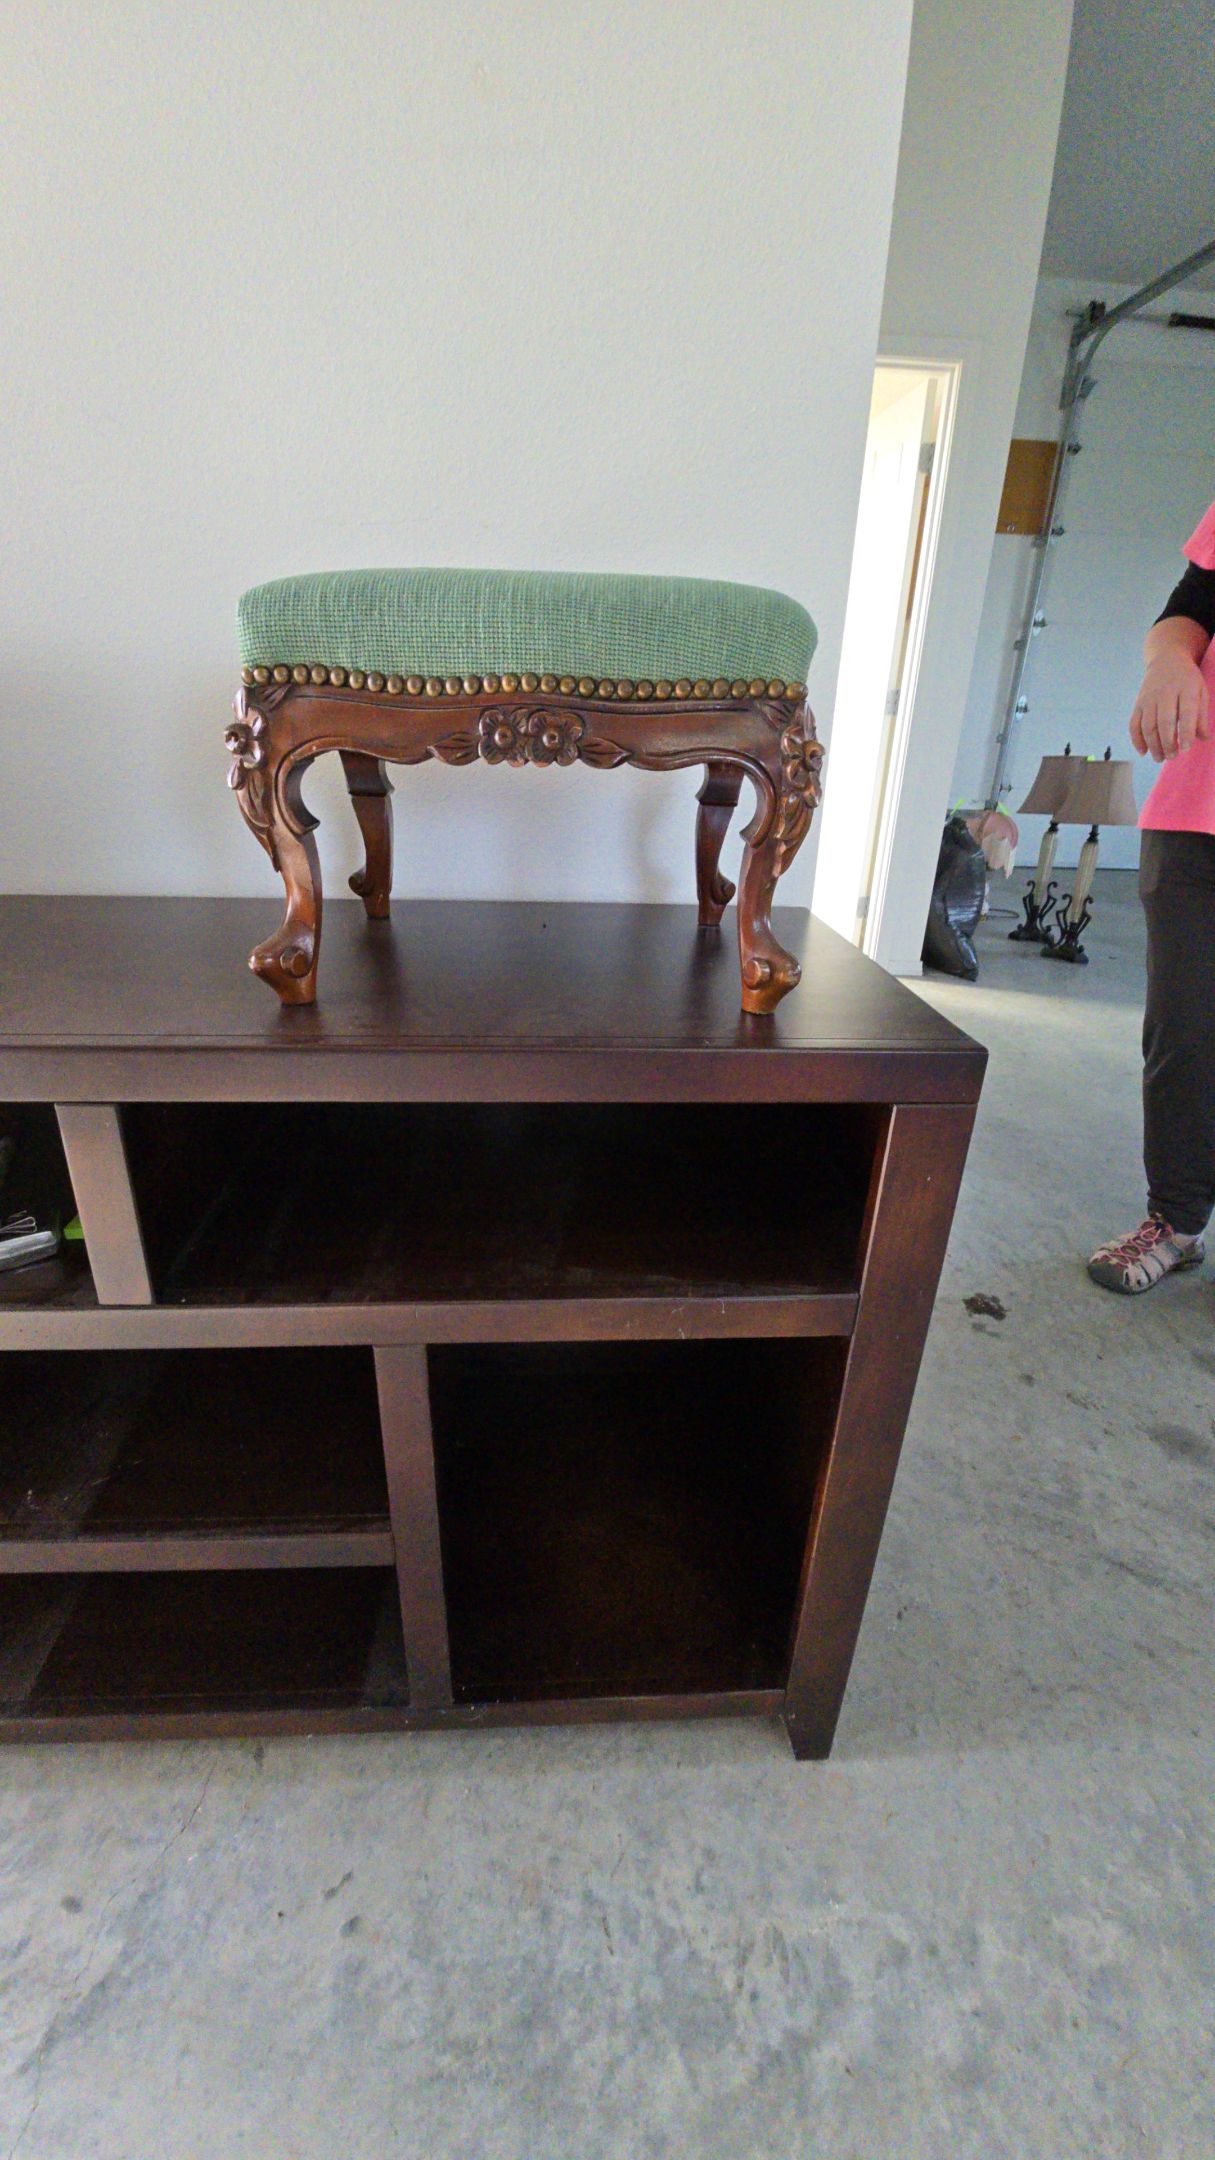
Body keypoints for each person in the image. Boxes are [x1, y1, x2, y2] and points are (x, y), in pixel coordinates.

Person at [1089, 501, 1215, 1292]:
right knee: (1182, 1030)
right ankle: (1175, 1222)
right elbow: (1191, 607)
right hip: (1197, 809)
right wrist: (1167, 659)